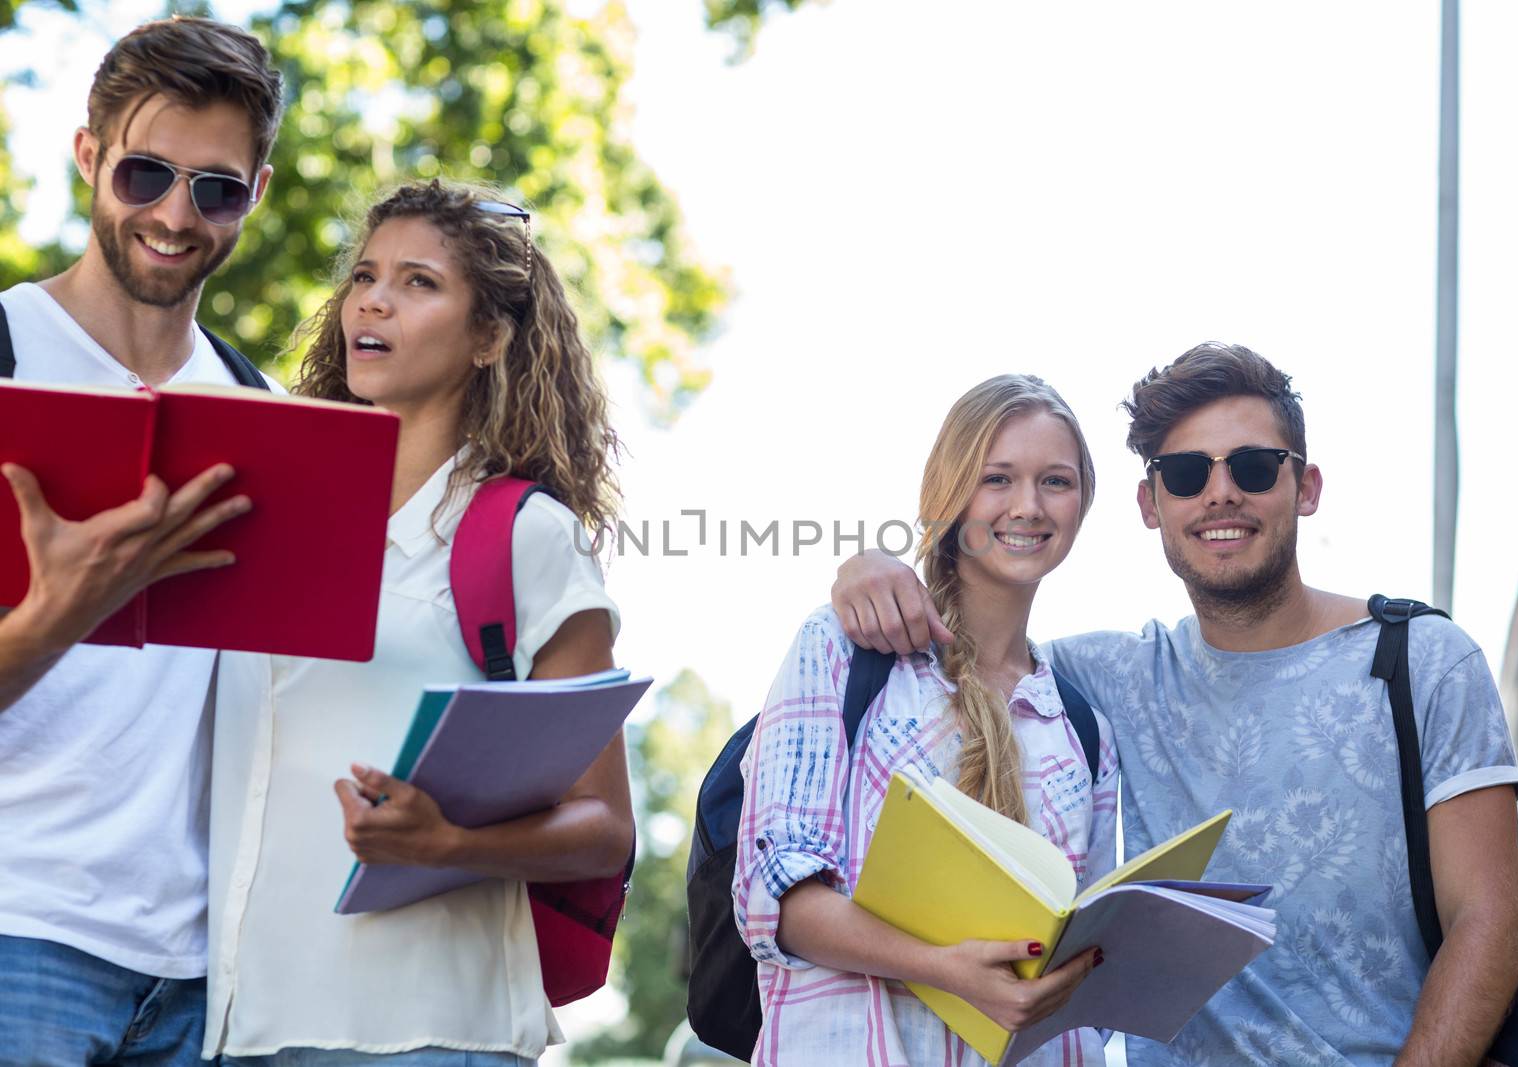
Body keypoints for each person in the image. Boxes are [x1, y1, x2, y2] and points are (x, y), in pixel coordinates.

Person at [831, 343, 1518, 1067]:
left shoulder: (1424, 660)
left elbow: (1490, 921)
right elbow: (975, 639)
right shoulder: (1097, 679)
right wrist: (867, 566)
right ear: (1150, 503)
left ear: (1307, 486)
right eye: (1188, 473)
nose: (1220, 493)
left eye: (1254, 467)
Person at [203, 180, 634, 1066]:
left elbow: (604, 824)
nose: (373, 298)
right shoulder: (273, 509)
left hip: (429, 1027)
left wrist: (448, 842)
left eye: (419, 282)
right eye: (365, 275)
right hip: (237, 1024)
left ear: (488, 337)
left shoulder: (526, 534)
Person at [0, 18, 282, 1061]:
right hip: (18, 934)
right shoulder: (5, 355)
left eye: (213, 187)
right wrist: (54, 616)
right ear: (88, 156)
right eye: (144, 173)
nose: (174, 215)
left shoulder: (263, 410)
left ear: (255, 194)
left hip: (203, 977)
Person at [735, 374, 1117, 1066]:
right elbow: (774, 898)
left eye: (1055, 481)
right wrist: (946, 969)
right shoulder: (845, 650)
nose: (1028, 506)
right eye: (997, 478)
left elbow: (1086, 951)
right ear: (950, 494)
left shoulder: (1083, 728)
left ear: (1082, 503)